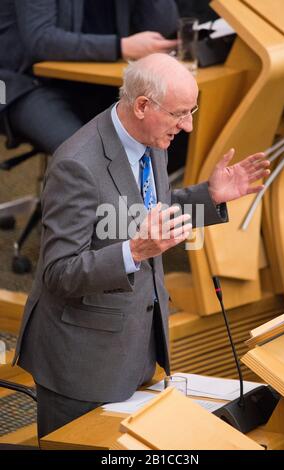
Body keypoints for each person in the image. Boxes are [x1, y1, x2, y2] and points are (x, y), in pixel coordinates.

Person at [14, 53, 270, 439]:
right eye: (180, 113)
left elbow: (144, 212)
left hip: (136, 346)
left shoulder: (151, 139)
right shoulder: (76, 165)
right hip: (83, 362)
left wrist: (210, 196)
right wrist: (133, 252)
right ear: (142, 106)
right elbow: (58, 273)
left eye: (192, 110)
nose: (188, 126)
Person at [0, 0, 178, 154]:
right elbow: (41, 40)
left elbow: (163, 28)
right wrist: (120, 47)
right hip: (28, 84)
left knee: (171, 135)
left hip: (104, 84)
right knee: (91, 158)